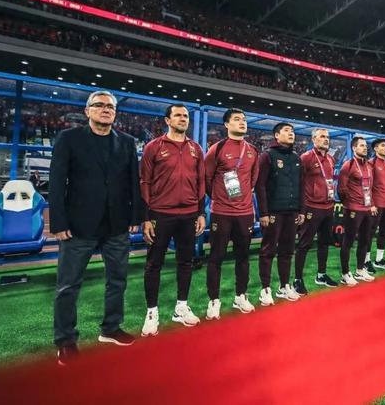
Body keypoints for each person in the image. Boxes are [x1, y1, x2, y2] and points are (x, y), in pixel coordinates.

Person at [49, 90, 142, 366]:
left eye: (110, 106)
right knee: (68, 286)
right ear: (87, 111)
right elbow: (57, 182)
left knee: (118, 280)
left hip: (117, 224)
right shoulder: (69, 138)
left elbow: (133, 183)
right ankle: (65, 340)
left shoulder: (127, 142)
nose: (105, 109)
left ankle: (111, 328)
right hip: (78, 225)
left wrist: (135, 216)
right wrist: (59, 222)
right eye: (99, 105)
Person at [139, 104, 206, 337]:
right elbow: (145, 182)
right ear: (167, 120)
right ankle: (151, 312)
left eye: (185, 116)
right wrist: (146, 217)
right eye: (178, 115)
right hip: (160, 214)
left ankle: (181, 307)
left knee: (185, 262)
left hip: (189, 213)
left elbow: (201, 183)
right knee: (153, 264)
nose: (183, 119)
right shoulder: (153, 147)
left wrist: (201, 213)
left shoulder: (196, 148)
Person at [204, 108, 259, 319]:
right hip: (221, 212)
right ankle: (214, 300)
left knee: (243, 257)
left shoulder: (252, 150)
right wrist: (220, 198)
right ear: (227, 124)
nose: (242, 122)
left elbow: (252, 181)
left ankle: (240, 296)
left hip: (245, 213)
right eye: (237, 119)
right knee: (216, 257)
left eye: (244, 119)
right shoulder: (216, 149)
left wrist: (241, 199)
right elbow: (207, 179)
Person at [256, 122, 304, 303]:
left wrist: (301, 210)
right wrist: (263, 213)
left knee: (287, 251)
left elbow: (301, 186)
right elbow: (260, 186)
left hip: (292, 212)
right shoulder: (267, 156)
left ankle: (284, 286)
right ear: (277, 135)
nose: (291, 133)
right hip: (273, 212)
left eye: (293, 131)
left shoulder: (296, 158)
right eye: (287, 131)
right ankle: (265, 289)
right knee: (268, 251)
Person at [294, 128, 339, 293]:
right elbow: (298, 183)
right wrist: (301, 209)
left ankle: (321, 275)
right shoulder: (306, 158)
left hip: (328, 207)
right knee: (304, 244)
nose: (326, 139)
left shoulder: (331, 159)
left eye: (327, 137)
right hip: (311, 207)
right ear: (313, 139)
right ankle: (297, 280)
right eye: (322, 136)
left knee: (324, 243)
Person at [338, 136, 376, 285]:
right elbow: (341, 189)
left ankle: (360, 270)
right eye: (361, 145)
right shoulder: (348, 165)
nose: (365, 148)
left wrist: (371, 203)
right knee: (348, 241)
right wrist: (349, 204)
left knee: (365, 240)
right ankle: (345, 273)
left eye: (365, 145)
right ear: (354, 148)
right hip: (353, 209)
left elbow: (370, 188)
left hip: (367, 208)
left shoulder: (369, 165)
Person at [364, 138, 385, 272]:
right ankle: (366, 261)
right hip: (376, 204)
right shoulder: (371, 163)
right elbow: (368, 185)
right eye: (383, 146)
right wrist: (371, 203)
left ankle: (379, 260)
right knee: (370, 233)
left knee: (384, 232)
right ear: (376, 148)